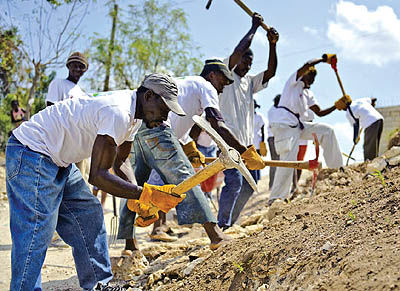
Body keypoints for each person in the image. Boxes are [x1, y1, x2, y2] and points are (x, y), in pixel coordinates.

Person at [5, 73, 186, 291]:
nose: (165, 117)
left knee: (88, 215)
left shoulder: (135, 118)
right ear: (149, 96)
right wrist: (144, 194)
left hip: (59, 159)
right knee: (36, 231)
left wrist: (140, 201)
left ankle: (99, 285)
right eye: (165, 109)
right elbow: (98, 176)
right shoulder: (118, 112)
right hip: (32, 151)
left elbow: (120, 161)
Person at [117, 59, 265, 252]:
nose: (221, 90)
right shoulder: (206, 86)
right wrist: (244, 151)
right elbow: (217, 123)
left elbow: (181, 121)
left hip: (139, 125)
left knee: (133, 186)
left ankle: (130, 246)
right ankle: (216, 235)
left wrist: (189, 148)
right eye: (222, 84)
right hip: (159, 129)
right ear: (212, 75)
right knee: (186, 175)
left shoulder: (187, 84)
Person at [217, 12, 279, 229]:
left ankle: (228, 222)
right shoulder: (227, 75)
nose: (248, 65)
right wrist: (253, 28)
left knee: (250, 184)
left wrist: (272, 45)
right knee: (234, 181)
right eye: (246, 60)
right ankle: (222, 226)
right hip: (226, 140)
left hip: (245, 144)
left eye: (251, 62)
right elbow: (237, 52)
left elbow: (270, 72)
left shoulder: (250, 83)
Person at [268, 55, 346, 206]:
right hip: (284, 126)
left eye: (313, 78)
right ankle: (276, 198)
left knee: (327, 131)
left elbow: (320, 112)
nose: (311, 80)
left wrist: (336, 106)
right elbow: (306, 64)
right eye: (310, 76)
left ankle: (336, 171)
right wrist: (323, 59)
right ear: (304, 74)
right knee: (289, 161)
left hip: (298, 126)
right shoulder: (293, 83)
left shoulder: (307, 94)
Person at [267, 94, 281, 190]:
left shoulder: (274, 110)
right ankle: (272, 185)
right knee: (275, 162)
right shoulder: (274, 111)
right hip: (274, 137)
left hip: (274, 137)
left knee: (276, 161)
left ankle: (274, 184)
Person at [253, 100, 267, 182]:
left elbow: (262, 130)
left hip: (257, 142)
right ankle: (253, 179)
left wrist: (263, 142)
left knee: (258, 160)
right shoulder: (246, 116)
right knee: (251, 161)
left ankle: (257, 179)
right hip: (248, 143)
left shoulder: (259, 117)